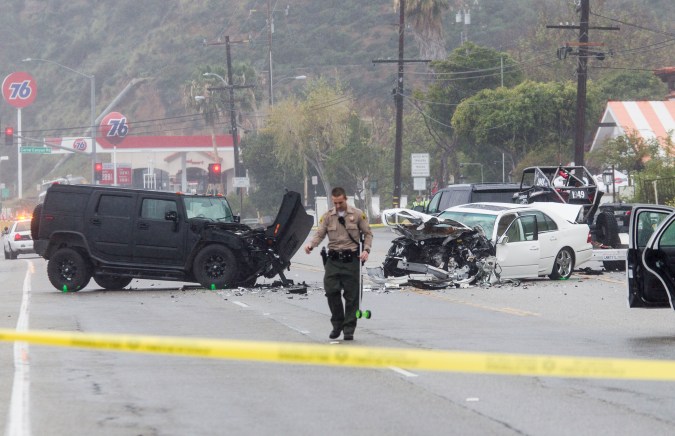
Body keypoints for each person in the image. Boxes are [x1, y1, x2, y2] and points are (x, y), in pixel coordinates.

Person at [304, 187, 373, 341]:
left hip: (351, 261)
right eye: (335, 202)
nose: (338, 205)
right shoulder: (328, 217)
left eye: (340, 202)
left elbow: (368, 234)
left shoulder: (357, 214)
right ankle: (337, 324)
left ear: (345, 199)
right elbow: (320, 233)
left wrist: (366, 250)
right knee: (331, 291)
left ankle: (349, 328)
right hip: (333, 260)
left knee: (352, 296)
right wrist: (311, 245)